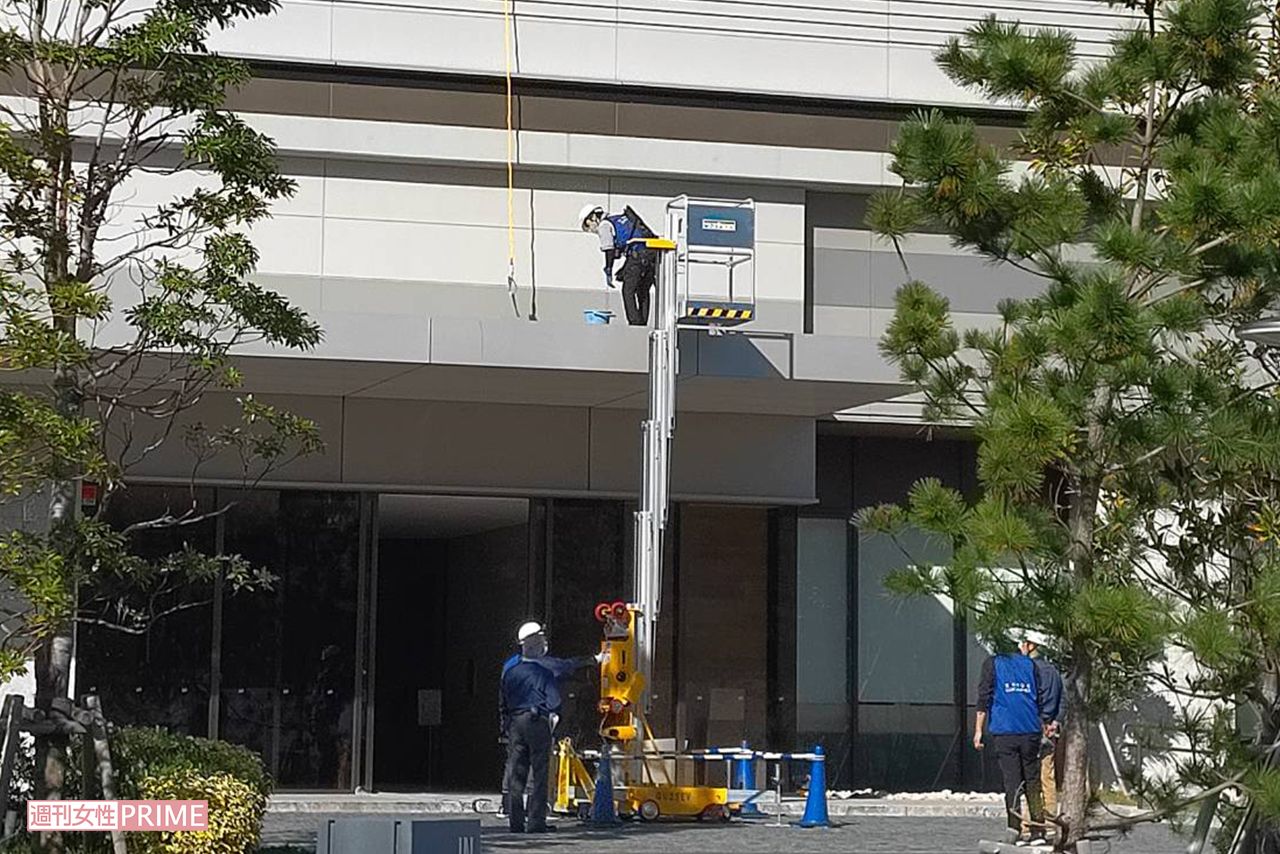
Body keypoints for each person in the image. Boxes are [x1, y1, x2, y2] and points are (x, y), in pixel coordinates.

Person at [499, 620, 602, 833]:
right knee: (539, 772)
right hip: (537, 723)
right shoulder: (544, 672)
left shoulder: (510, 670)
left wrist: (506, 725)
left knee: (516, 773)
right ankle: (536, 822)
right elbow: (555, 701)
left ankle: (515, 822)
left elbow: (503, 701)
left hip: (515, 723)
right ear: (537, 644)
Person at [975, 637, 1048, 846]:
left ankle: (1014, 828)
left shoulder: (992, 663)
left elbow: (984, 698)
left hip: (1004, 730)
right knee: (1032, 781)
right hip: (1030, 729)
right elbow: (1039, 698)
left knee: (1012, 782)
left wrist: (978, 731)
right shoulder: (1030, 664)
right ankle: (1038, 829)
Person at [578, 204, 657, 326]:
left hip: (637, 255)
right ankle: (642, 322)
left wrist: (608, 270)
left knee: (628, 290)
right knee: (643, 290)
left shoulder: (604, 225)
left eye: (588, 224)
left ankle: (635, 323)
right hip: (651, 254)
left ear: (593, 217)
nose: (591, 228)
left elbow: (609, 250)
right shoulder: (617, 219)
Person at [1019, 630, 1064, 841]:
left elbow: (1029, 699)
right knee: (1049, 777)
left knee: (1031, 779)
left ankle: (1030, 825)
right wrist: (1054, 722)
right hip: (1051, 729)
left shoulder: (1029, 669)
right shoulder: (1054, 671)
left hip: (1032, 727)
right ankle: (1052, 823)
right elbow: (1063, 700)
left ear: (1030, 645)